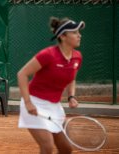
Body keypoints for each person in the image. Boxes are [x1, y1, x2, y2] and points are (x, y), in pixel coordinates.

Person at [17, 17, 85, 154]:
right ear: (62, 36)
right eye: (74, 32)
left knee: (66, 149)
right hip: (34, 103)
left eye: (79, 32)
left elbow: (71, 78)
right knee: (47, 147)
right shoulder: (48, 55)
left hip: (55, 106)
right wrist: (28, 102)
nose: (79, 35)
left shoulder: (77, 56)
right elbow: (22, 74)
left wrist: (71, 96)